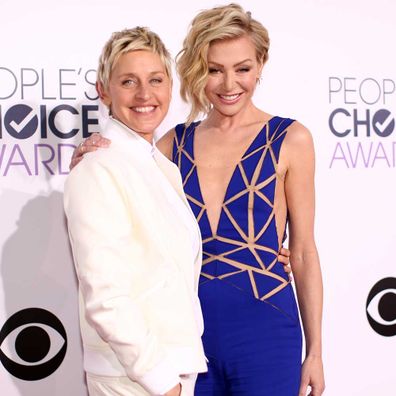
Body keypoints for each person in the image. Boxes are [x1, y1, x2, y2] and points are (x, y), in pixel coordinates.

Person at [70, 4, 324, 395]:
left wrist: (316, 351)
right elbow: (125, 185)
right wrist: (90, 154)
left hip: (267, 328)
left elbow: (304, 251)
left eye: (242, 69)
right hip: (187, 342)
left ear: (260, 67)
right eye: (214, 69)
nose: (228, 84)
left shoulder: (291, 139)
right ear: (195, 70)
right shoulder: (172, 145)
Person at [64, 27, 208, 396]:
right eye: (128, 81)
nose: (145, 95)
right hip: (135, 378)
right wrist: (161, 381)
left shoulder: (161, 167)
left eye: (155, 80)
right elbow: (106, 295)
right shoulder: (97, 167)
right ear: (104, 89)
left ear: (169, 86)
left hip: (169, 370)